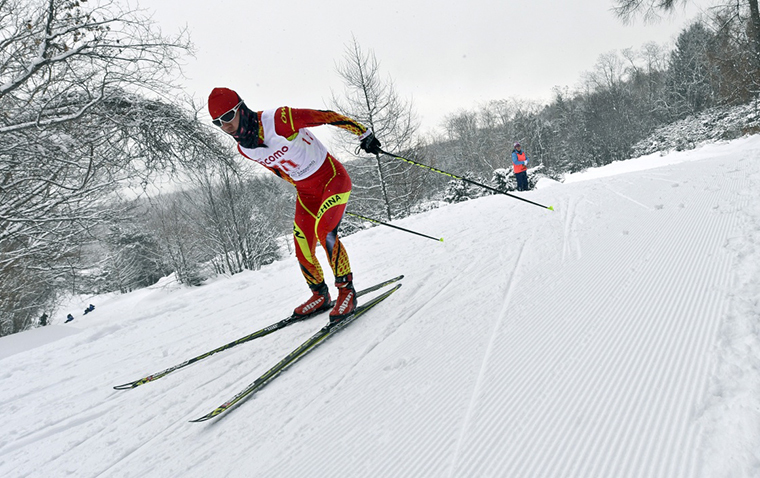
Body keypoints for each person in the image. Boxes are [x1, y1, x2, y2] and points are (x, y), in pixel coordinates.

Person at [207, 87, 382, 324]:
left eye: (228, 116)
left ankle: (346, 291)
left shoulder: (279, 120)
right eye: (218, 122)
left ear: (241, 108)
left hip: (332, 179)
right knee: (301, 243)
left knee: (325, 233)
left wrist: (364, 134)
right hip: (307, 193)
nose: (225, 126)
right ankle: (320, 294)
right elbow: (278, 169)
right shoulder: (245, 148)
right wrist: (300, 181)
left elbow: (326, 116)